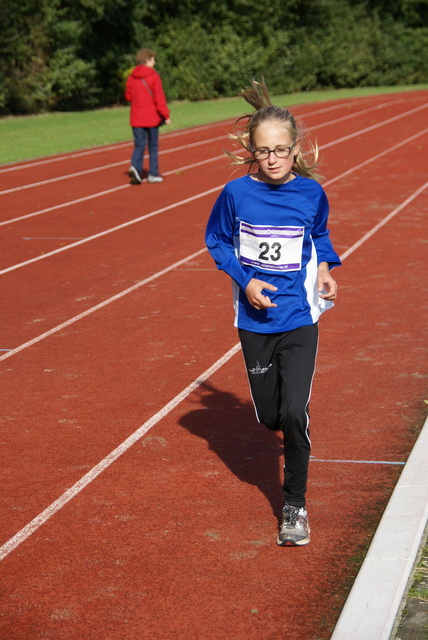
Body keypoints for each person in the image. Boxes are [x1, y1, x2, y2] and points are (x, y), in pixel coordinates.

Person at [205, 80, 341, 547]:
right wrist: (247, 280)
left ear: (294, 148)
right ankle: (283, 420)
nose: (274, 159)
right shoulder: (235, 195)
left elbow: (319, 236)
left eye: (282, 150)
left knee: (294, 412)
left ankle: (295, 506)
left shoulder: (310, 194)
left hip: (300, 319)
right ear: (252, 151)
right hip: (254, 322)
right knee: (270, 418)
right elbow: (217, 242)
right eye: (264, 152)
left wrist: (324, 268)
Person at [124, 48, 171, 184]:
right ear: (148, 60)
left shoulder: (131, 76)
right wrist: (166, 115)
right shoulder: (153, 76)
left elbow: (128, 96)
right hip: (151, 117)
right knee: (153, 146)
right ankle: (153, 174)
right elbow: (159, 98)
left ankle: (135, 167)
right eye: (153, 59)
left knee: (139, 144)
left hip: (136, 117)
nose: (154, 62)